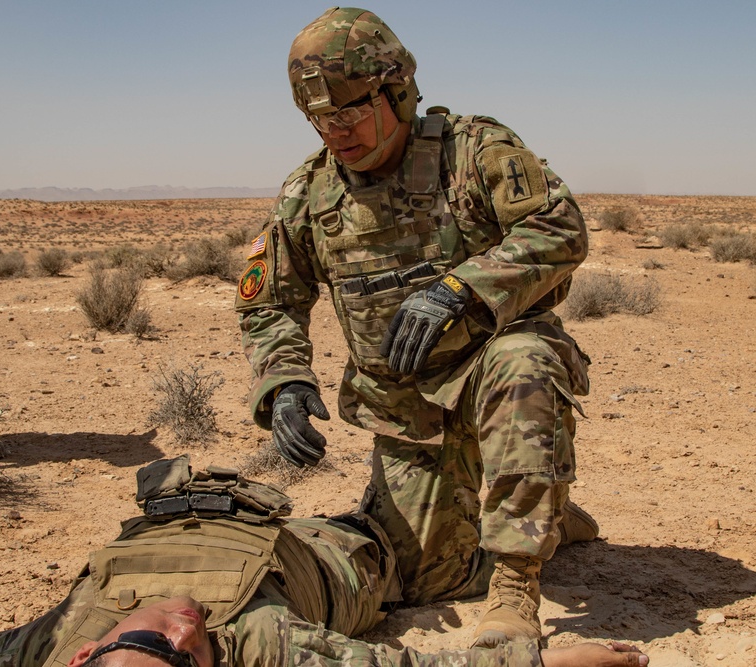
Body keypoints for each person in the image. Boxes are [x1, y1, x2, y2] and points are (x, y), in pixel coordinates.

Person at [235, 7, 596, 648]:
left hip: (493, 373)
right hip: (408, 409)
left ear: (396, 90)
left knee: (525, 360)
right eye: (319, 117)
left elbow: (560, 228)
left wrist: (463, 288)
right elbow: (270, 303)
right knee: (432, 577)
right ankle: (550, 519)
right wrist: (284, 378)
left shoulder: (474, 150)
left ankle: (516, 587)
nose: (333, 129)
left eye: (348, 111)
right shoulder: (310, 195)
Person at [0, 457, 647, 667]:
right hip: (346, 554)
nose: (188, 627)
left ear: (90, 650)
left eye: (158, 641)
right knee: (426, 539)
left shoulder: (44, 643)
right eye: (194, 658)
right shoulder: (263, 646)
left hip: (216, 509)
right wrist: (540, 654)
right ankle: (521, 534)